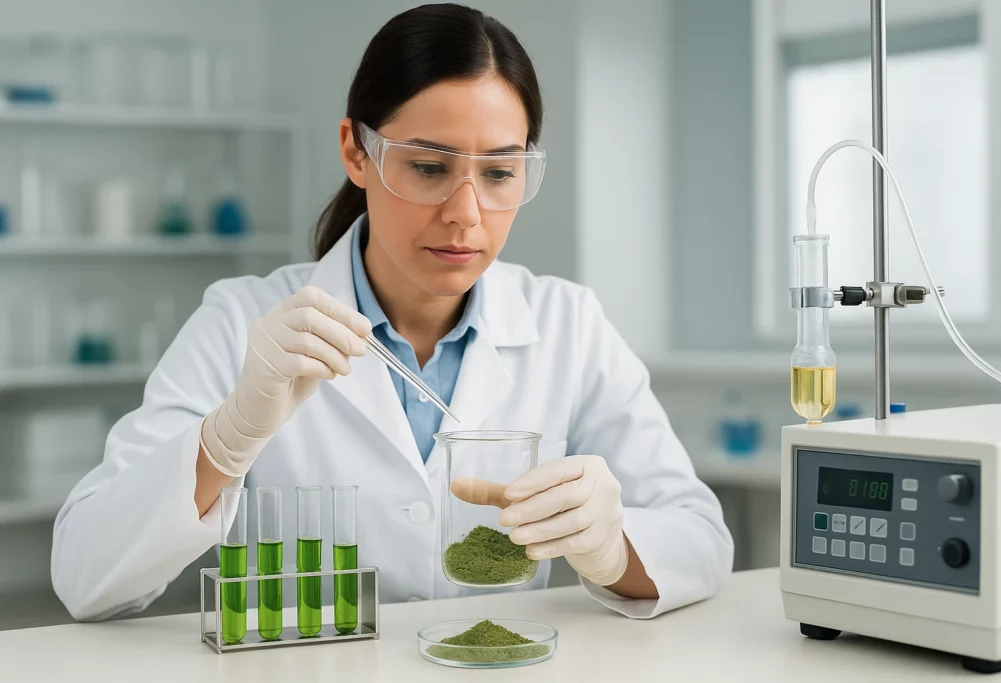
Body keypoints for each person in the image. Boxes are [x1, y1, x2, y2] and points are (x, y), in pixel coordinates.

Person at [51, 3, 733, 622]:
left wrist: (612, 546)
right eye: (429, 167)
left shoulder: (568, 325)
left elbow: (701, 537)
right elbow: (83, 575)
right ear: (357, 150)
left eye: (499, 173)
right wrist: (223, 441)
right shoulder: (241, 320)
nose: (465, 214)